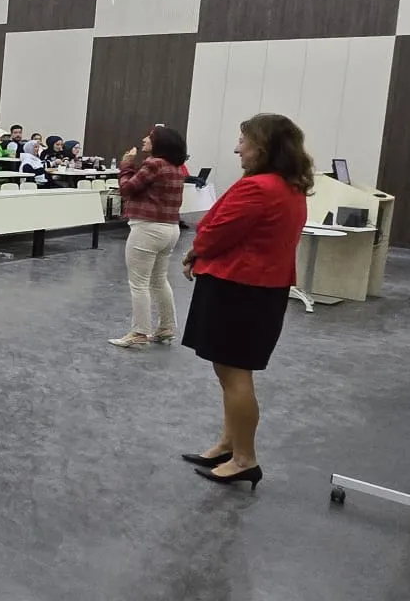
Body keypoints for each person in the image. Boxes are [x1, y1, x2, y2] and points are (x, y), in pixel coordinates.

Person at [180, 114, 312, 490]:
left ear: (264, 146)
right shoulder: (290, 187)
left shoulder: (258, 188)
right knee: (230, 373)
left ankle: (244, 458)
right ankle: (228, 444)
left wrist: (195, 253)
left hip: (239, 287)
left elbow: (215, 230)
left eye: (243, 140)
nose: (238, 148)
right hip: (260, 288)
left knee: (234, 375)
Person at [110, 126, 190, 348]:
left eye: (150, 137)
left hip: (148, 229)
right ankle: (166, 328)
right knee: (159, 280)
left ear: (159, 143)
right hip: (170, 229)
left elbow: (127, 189)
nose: (144, 139)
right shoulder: (176, 167)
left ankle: (139, 332)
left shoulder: (154, 164)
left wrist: (126, 165)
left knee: (139, 283)